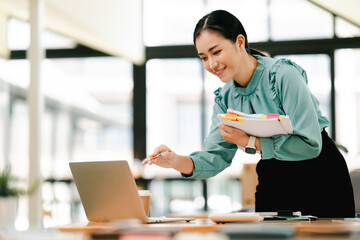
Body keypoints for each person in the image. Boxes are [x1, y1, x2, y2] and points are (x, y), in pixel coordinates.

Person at [142, 9, 355, 218]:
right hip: (275, 175)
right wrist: (176, 161)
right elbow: (215, 157)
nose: (212, 64)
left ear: (240, 42)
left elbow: (311, 145)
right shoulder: (224, 99)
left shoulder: (283, 76)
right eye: (204, 57)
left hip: (321, 174)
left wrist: (251, 142)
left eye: (216, 52)